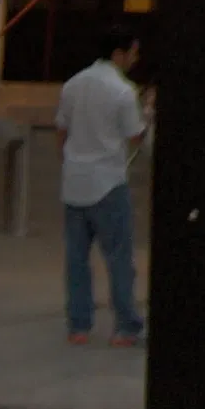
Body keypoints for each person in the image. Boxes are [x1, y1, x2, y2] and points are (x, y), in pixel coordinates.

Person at [56, 23, 147, 346]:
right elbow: (135, 136)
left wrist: (70, 162)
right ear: (118, 53)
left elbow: (61, 132)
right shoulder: (123, 91)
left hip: (74, 182)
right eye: (133, 52)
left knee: (76, 259)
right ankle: (125, 326)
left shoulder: (73, 85)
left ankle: (78, 326)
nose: (136, 58)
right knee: (119, 258)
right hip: (108, 182)